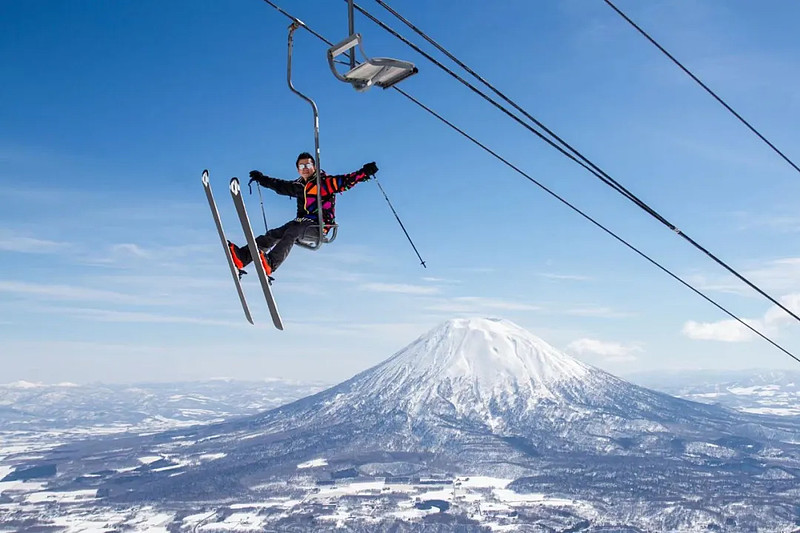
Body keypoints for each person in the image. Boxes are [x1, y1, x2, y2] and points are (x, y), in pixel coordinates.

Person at [228, 152, 378, 277]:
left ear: (314, 166)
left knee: (292, 231)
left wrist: (364, 172)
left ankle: (271, 263)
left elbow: (346, 181)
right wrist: (261, 179)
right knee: (273, 234)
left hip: (319, 226)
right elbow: (279, 185)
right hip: (301, 222)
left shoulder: (324, 183)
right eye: (301, 166)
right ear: (298, 169)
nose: (305, 168)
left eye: (308, 165)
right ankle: (243, 257)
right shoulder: (299, 186)